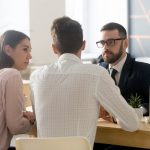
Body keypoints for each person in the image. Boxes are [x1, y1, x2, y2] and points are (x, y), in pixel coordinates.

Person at [30, 16, 139, 149]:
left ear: (54, 48)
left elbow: (39, 119)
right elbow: (132, 123)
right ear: (83, 45)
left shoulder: (36, 77)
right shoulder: (96, 74)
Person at [96, 22, 150, 116]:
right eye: (102, 43)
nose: (105, 47)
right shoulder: (97, 71)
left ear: (125, 43)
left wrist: (139, 111)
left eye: (111, 42)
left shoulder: (145, 71)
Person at [0, 30, 35, 150]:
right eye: (25, 49)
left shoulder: (3, 74)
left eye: (30, 51)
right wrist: (32, 119)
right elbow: (16, 126)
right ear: (8, 50)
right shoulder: (12, 74)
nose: (29, 56)